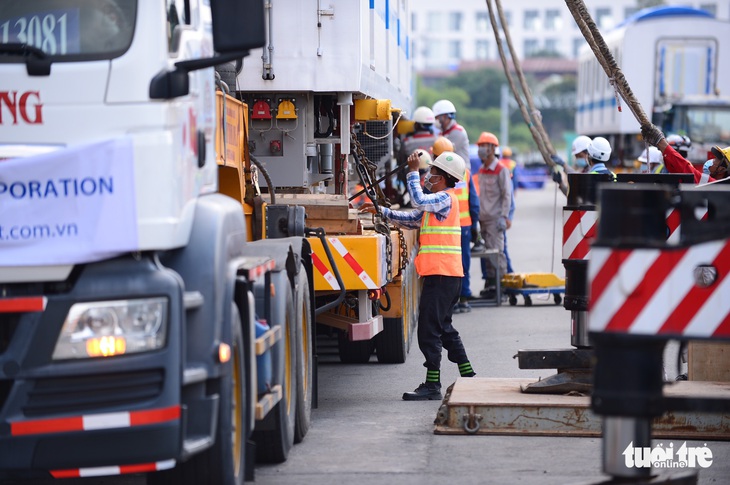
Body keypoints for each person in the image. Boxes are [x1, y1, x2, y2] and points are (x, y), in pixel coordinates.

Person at [361, 151, 476, 401]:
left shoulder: (445, 198)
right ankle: (468, 375)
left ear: (445, 178)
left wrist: (412, 172)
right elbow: (413, 218)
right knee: (443, 328)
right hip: (444, 275)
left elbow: (418, 202)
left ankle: (432, 385)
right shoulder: (438, 202)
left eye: (432, 173)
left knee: (428, 330)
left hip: (443, 275)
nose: (428, 176)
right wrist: (381, 211)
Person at [432, 137, 480, 314]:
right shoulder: (464, 172)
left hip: (444, 226)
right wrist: (476, 226)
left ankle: (450, 301)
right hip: (464, 225)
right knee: (463, 262)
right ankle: (464, 298)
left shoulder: (436, 175)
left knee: (446, 263)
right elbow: (474, 200)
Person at [475, 132, 512, 298]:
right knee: (488, 254)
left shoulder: (501, 169)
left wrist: (504, 217)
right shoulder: (482, 170)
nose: (481, 149)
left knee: (498, 253)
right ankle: (491, 286)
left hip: (495, 219)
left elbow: (507, 195)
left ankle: (501, 286)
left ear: (492, 148)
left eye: (484, 146)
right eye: (480, 145)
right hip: (483, 219)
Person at [641, 123, 729, 184]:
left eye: (716, 159)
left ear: (721, 169)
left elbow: (686, 169)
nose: (711, 160)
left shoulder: (714, 185)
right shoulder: (720, 188)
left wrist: (660, 142)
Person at [432, 99, 470, 164]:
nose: (435, 120)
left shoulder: (458, 132)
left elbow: (443, 152)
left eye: (436, 117)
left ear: (444, 116)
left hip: (462, 171)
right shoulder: (442, 133)